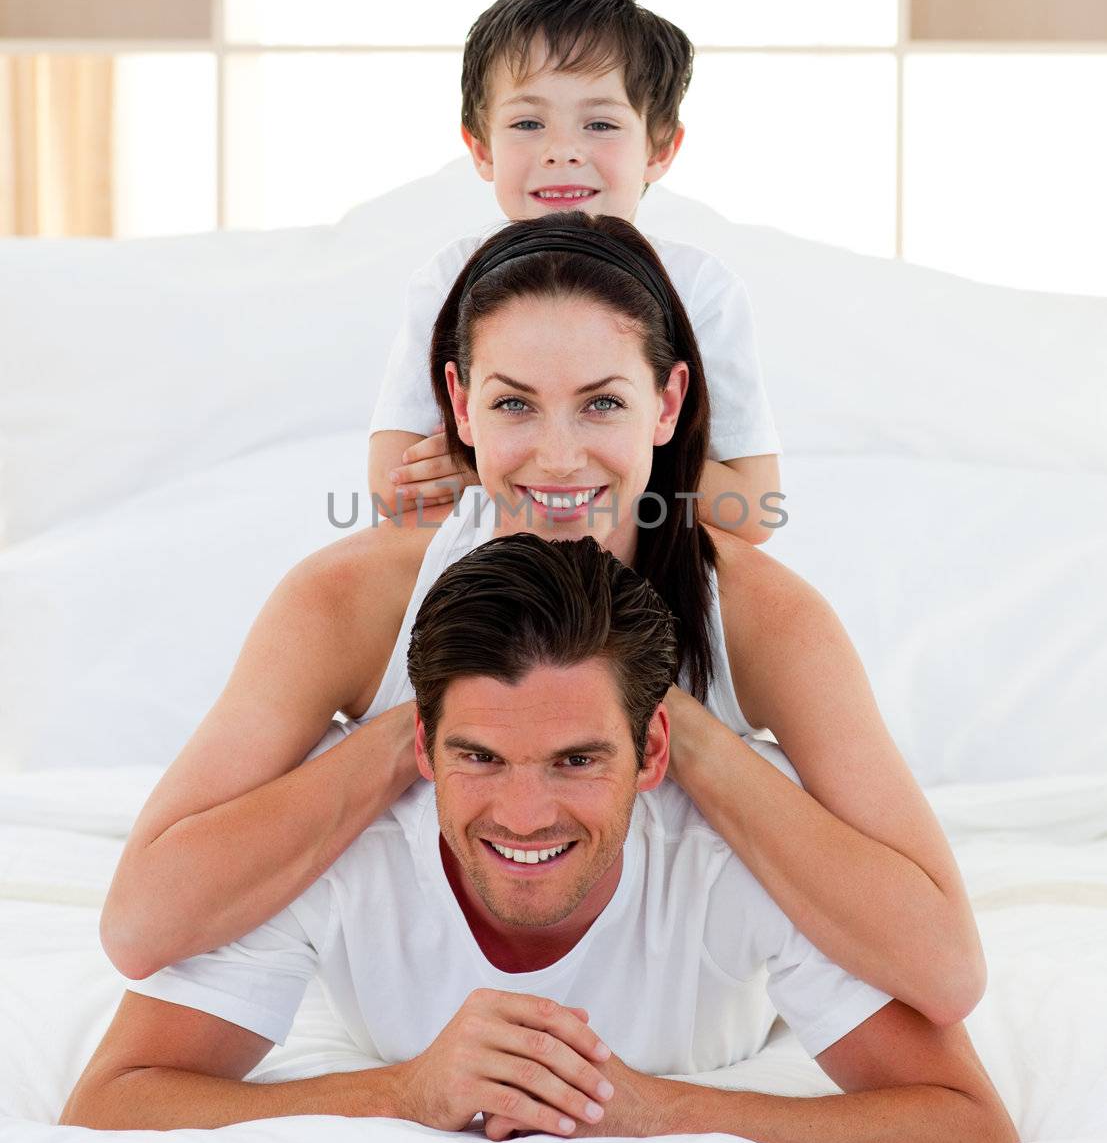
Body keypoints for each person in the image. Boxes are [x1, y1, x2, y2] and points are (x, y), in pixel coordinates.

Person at [99, 216, 986, 1044]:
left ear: (667, 403)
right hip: (415, 1027)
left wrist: (670, 732)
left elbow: (944, 971)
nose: (557, 458)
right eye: (514, 405)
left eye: (601, 404)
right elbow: (141, 926)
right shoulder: (349, 601)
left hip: (692, 1037)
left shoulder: (762, 616)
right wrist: (425, 731)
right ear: (458, 401)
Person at [64, 535, 1018, 1143]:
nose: (524, 816)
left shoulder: (746, 853)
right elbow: (115, 1098)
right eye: (479, 756)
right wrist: (401, 1093)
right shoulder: (330, 837)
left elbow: (965, 1119)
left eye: (573, 761)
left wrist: (655, 1111)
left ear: (652, 752)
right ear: (420, 746)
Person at [368, 0, 782, 545]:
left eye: (601, 124)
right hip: (492, 575)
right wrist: (498, 458)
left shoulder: (700, 289)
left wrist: (535, 455)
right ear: (481, 147)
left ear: (659, 148)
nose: (562, 151)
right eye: (527, 123)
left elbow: (753, 509)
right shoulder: (447, 280)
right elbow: (394, 490)